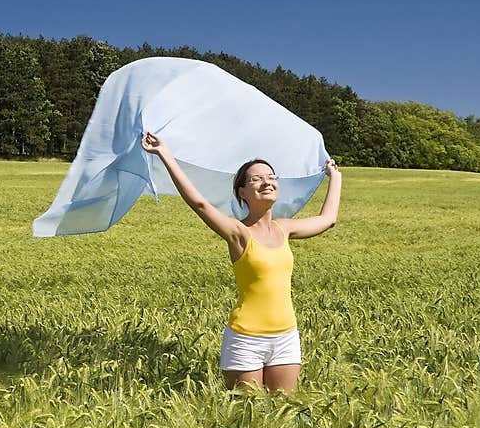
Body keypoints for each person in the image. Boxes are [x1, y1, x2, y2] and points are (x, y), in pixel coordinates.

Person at [140, 131, 342, 394]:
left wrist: (335, 177)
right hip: (246, 339)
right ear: (242, 192)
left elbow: (328, 219)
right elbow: (200, 204)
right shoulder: (238, 233)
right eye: (257, 179)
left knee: (284, 412)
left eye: (271, 177)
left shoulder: (285, 229)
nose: (266, 182)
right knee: (247, 415)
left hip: (286, 337)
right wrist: (165, 154)